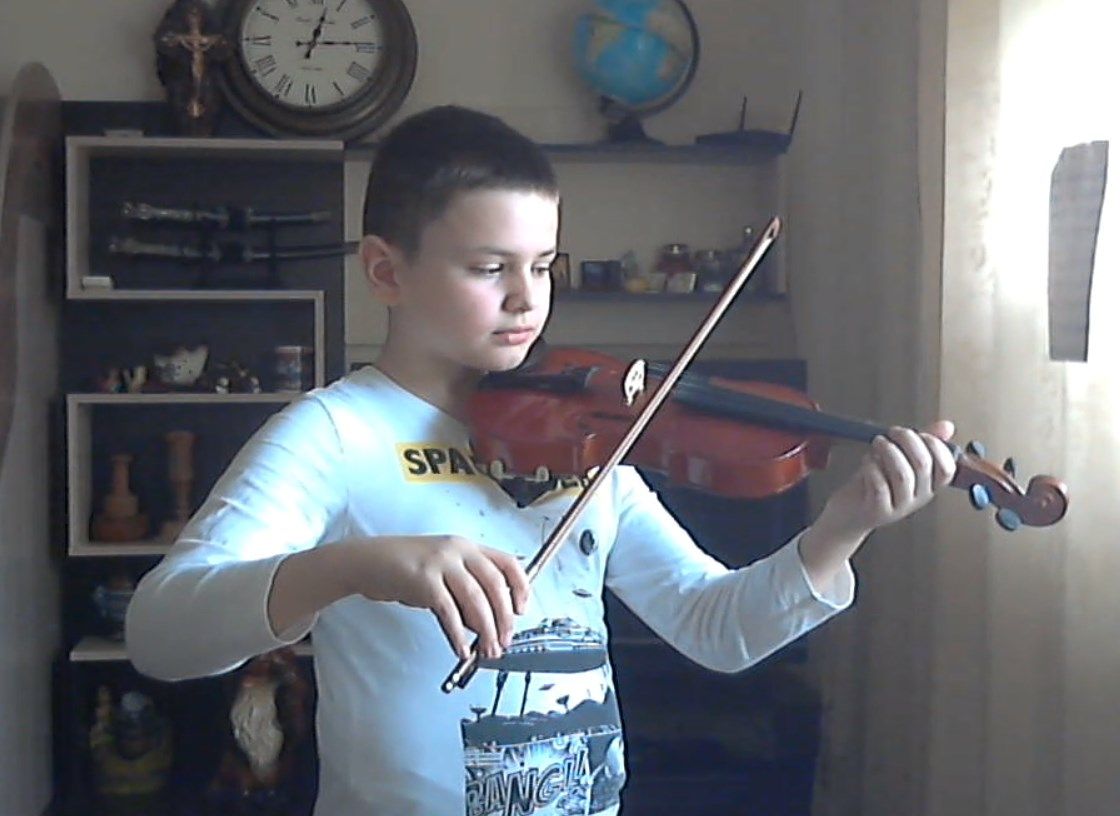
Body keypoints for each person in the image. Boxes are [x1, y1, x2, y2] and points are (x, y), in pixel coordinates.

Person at [126, 105, 957, 816]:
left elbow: (715, 625)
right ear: (385, 270)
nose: (528, 299)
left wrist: (842, 529)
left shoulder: (584, 433)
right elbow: (160, 633)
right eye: (489, 268)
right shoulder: (336, 434)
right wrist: (356, 566)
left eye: (543, 266)